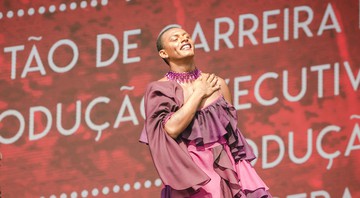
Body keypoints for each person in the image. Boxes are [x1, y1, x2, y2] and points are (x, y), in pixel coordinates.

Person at [139, 25, 271, 198]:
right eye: (175, 38)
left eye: (186, 36)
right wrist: (199, 92)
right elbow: (171, 129)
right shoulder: (159, 89)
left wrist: (242, 176)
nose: (184, 39)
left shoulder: (217, 83)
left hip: (226, 169)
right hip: (191, 174)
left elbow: (232, 136)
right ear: (164, 53)